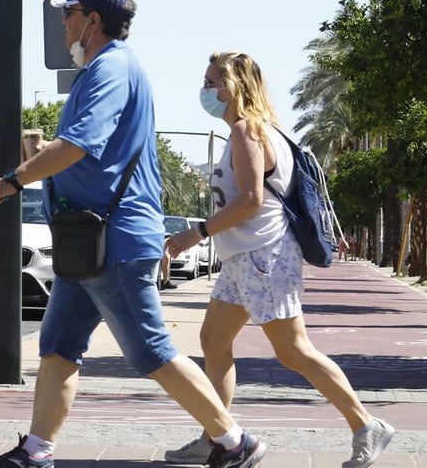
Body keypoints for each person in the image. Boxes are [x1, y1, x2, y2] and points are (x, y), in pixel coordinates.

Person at [0, 0, 267, 468]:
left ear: (92, 20)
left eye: (69, 13)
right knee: (58, 347)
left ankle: (236, 442)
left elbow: (79, 146)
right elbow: (89, 155)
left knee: (151, 351)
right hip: (86, 241)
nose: (63, 21)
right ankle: (35, 451)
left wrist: (11, 181)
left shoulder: (111, 67)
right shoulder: (99, 70)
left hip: (114, 241)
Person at [164, 52, 395, 468]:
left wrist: (194, 234)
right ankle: (217, 436)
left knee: (293, 351)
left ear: (238, 86)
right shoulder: (251, 130)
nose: (206, 90)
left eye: (214, 82)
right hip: (243, 258)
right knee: (214, 342)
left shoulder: (248, 132)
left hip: (263, 256)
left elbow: (252, 201)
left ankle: (366, 426)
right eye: (206, 81)